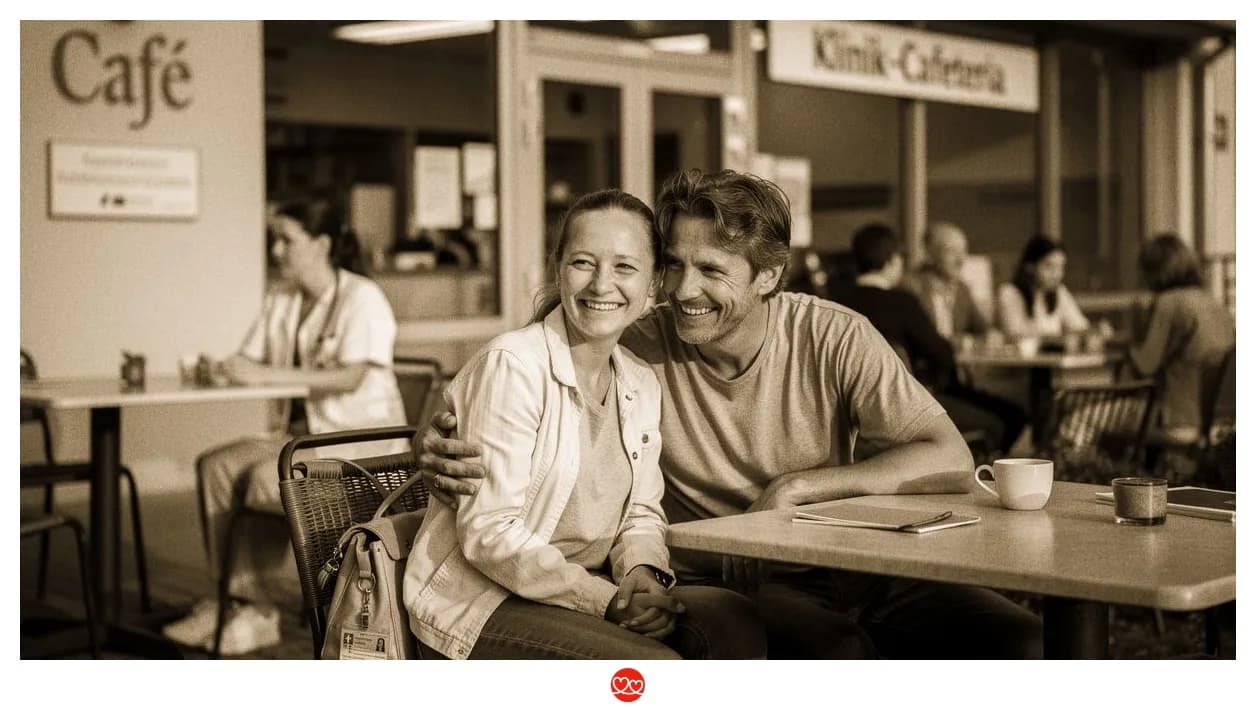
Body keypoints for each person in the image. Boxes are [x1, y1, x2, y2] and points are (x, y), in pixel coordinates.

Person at [420, 170, 1043, 659]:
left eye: (712, 271)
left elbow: (950, 455)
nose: (685, 292)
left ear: (768, 276)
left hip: (857, 563)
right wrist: (434, 433)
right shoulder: (638, 341)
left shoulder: (833, 335)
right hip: (731, 580)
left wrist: (797, 489)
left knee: (1026, 642)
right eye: (674, 266)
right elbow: (530, 361)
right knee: (838, 654)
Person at [402, 188, 764, 660]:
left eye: (625, 267)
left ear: (654, 282)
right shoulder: (513, 365)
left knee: (733, 621)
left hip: (590, 591)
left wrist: (642, 579)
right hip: (484, 600)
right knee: (649, 666)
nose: (601, 285)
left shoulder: (639, 379)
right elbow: (489, 532)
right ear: (558, 268)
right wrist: (605, 600)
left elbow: (640, 512)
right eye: (583, 263)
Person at [162, 195, 408, 655]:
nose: (276, 251)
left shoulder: (362, 297)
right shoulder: (282, 299)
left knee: (262, 477)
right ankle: (238, 603)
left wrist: (266, 374)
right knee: (214, 466)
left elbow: (350, 375)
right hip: (297, 437)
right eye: (274, 240)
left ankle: (261, 607)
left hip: (356, 447)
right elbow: (249, 359)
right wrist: (222, 368)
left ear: (321, 244)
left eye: (286, 240)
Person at [831, 223, 1025, 455]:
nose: (961, 258)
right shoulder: (903, 297)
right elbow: (941, 353)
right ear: (895, 261)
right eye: (952, 251)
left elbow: (980, 329)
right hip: (908, 402)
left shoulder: (833, 300)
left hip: (846, 408)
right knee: (1000, 423)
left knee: (1009, 415)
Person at [1127, 233, 1235, 443]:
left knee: (1078, 420)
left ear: (1152, 271)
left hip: (1176, 418)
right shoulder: (1213, 302)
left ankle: (1081, 475)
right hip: (1212, 420)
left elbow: (1144, 366)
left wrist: (1136, 324)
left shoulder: (1168, 302)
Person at [902, 221, 990, 339]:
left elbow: (983, 330)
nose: (960, 259)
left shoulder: (962, 289)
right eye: (952, 251)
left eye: (963, 251)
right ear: (930, 254)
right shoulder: (910, 286)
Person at [997, 234, 1089, 338]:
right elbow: (1016, 334)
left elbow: (1080, 326)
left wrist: (1095, 330)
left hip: (1053, 353)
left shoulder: (1059, 292)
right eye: (1049, 266)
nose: (1057, 274)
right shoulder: (1010, 293)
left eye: (1061, 267)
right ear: (1030, 266)